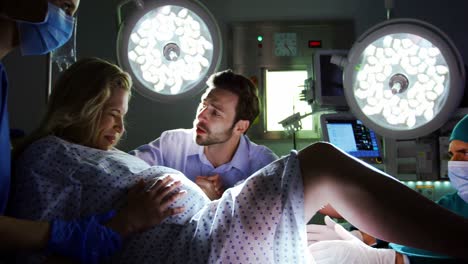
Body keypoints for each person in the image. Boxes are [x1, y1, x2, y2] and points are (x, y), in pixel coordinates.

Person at [10, 57, 468, 263]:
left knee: (328, 242)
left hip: (205, 231)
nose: (120, 129)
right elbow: (49, 245)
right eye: (111, 114)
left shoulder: (96, 155)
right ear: (81, 107)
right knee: (322, 164)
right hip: (198, 246)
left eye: (216, 111)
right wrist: (129, 219)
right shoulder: (49, 157)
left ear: (241, 125)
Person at [0, 2, 184, 263]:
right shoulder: (47, 158)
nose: (66, 20)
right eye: (63, 6)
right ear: (81, 109)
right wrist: (119, 225)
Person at [308, 115, 468, 264]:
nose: (455, 162)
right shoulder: (455, 203)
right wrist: (360, 236)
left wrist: (379, 259)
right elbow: (412, 227)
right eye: (451, 155)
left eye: (464, 152)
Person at [130, 70, 278, 200]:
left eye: (215, 112)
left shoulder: (264, 166)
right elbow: (126, 173)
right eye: (203, 104)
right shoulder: (171, 143)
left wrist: (217, 203)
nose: (201, 116)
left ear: (240, 127)